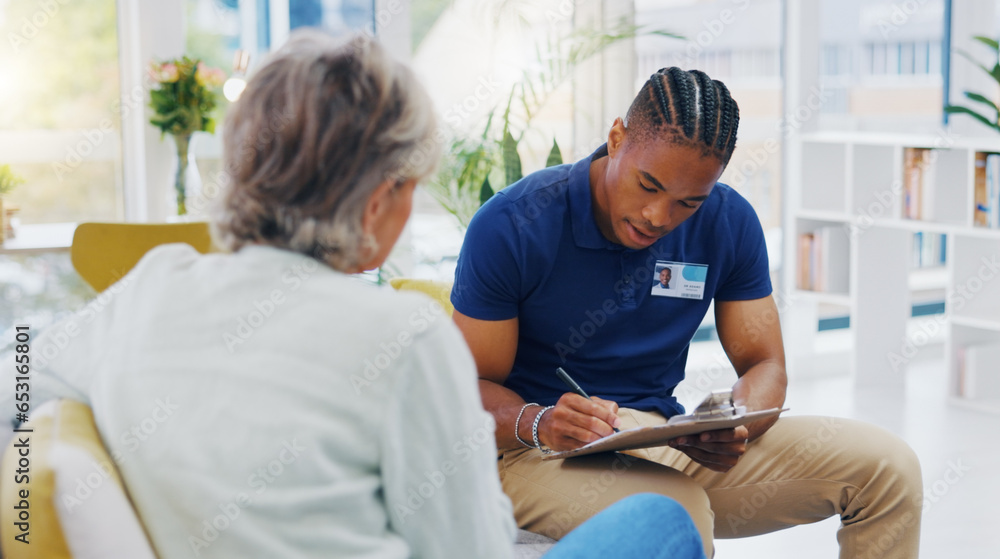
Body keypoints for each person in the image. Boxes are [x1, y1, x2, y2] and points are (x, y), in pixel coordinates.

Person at [0, 32, 707, 559]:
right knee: (662, 521)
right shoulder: (402, 335)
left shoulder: (148, 290)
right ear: (377, 201)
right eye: (409, 189)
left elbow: (14, 376)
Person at [451, 66, 923, 558]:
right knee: (678, 513)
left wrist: (737, 422)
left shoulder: (729, 222)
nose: (659, 217)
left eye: (687, 203)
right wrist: (540, 420)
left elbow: (766, 364)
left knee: (889, 469)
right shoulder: (512, 224)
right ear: (616, 138)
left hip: (662, 436)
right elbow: (467, 391)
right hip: (535, 452)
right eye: (648, 185)